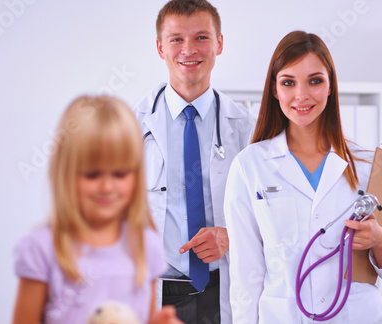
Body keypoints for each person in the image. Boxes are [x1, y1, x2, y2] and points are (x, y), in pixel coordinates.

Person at [223, 30, 382, 323]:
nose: (302, 95)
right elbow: (246, 273)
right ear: (274, 89)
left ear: (330, 85)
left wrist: (379, 239)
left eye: (315, 81)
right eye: (288, 82)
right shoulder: (250, 166)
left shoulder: (373, 166)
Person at [133, 0, 255, 323]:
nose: (189, 50)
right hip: (158, 294)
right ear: (160, 48)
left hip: (222, 291)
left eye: (201, 37)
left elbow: (268, 214)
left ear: (219, 43)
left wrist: (230, 236)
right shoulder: (132, 125)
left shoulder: (246, 127)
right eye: (176, 39)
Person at [12, 95, 182, 324]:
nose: (107, 187)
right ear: (66, 173)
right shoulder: (42, 248)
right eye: (92, 174)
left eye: (120, 174)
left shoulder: (146, 246)